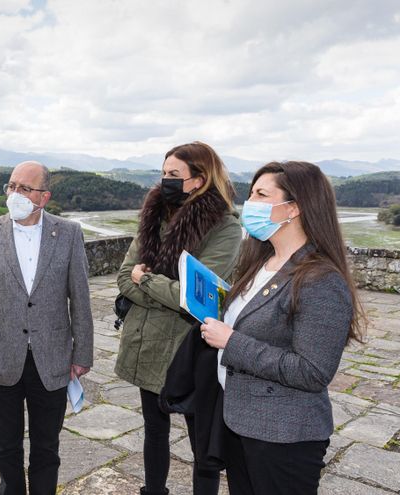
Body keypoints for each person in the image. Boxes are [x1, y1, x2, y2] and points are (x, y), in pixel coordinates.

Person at [200, 161, 365, 495]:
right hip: (241, 422)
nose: (250, 204)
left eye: (261, 194)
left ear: (294, 208)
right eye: (250, 194)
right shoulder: (261, 262)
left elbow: (312, 371)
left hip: (283, 435)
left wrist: (232, 342)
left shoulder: (321, 280)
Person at [113, 142, 242, 495]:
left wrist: (146, 280)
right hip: (148, 343)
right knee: (154, 431)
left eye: (174, 175)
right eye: (163, 172)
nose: (165, 181)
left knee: (201, 443)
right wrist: (157, 289)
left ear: (199, 180)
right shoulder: (155, 216)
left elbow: (196, 300)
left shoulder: (224, 229)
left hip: (189, 350)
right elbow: (125, 276)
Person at [0, 160, 94, 495]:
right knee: (5, 448)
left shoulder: (68, 233)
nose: (15, 193)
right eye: (11, 186)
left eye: (25, 188)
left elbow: (80, 298)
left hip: (52, 360)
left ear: (44, 196)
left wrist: (83, 354)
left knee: (46, 449)